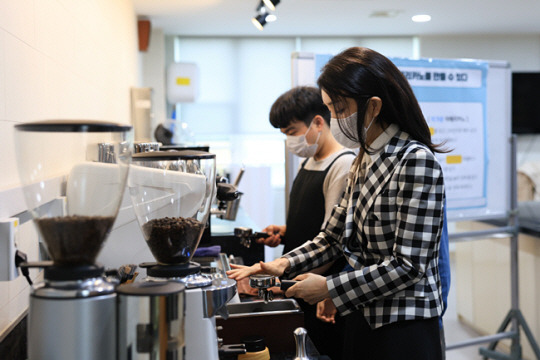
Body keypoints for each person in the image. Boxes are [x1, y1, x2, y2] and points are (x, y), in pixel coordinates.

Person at [228, 47, 448, 360]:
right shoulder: (364, 158)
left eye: (339, 109)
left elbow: (409, 266)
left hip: (403, 326)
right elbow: (332, 237)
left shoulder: (415, 161)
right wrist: (281, 265)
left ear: (373, 106)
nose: (334, 120)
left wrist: (331, 287)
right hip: (360, 313)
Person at [257, 86, 356, 359]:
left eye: (291, 132)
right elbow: (314, 218)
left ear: (318, 122)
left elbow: (332, 240)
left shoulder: (342, 165)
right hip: (299, 281)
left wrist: (290, 279)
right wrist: (286, 231)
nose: (290, 141)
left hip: (318, 286)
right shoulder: (309, 162)